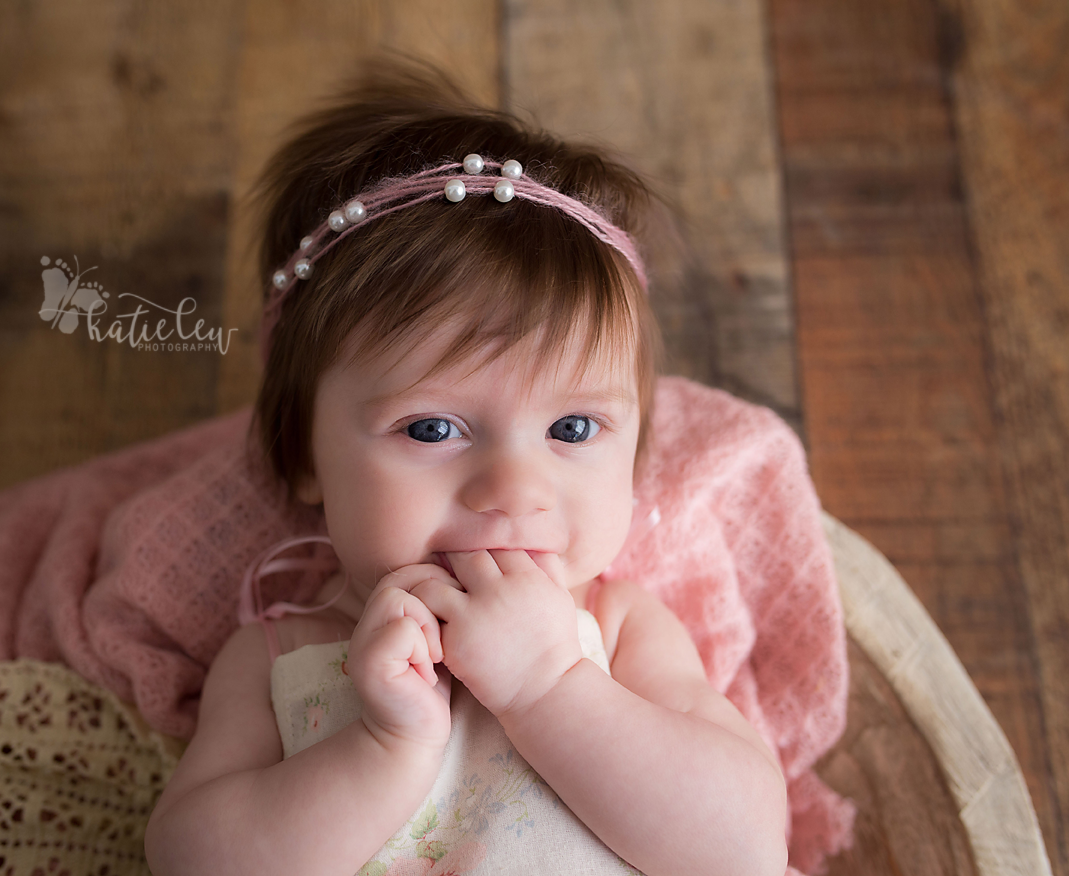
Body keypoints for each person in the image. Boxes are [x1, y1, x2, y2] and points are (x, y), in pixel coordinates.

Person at [143, 59, 790, 876]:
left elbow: (743, 849)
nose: (516, 491)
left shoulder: (617, 634)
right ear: (302, 455)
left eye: (574, 425)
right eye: (434, 427)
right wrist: (384, 747)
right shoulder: (284, 651)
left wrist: (550, 687)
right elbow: (191, 863)